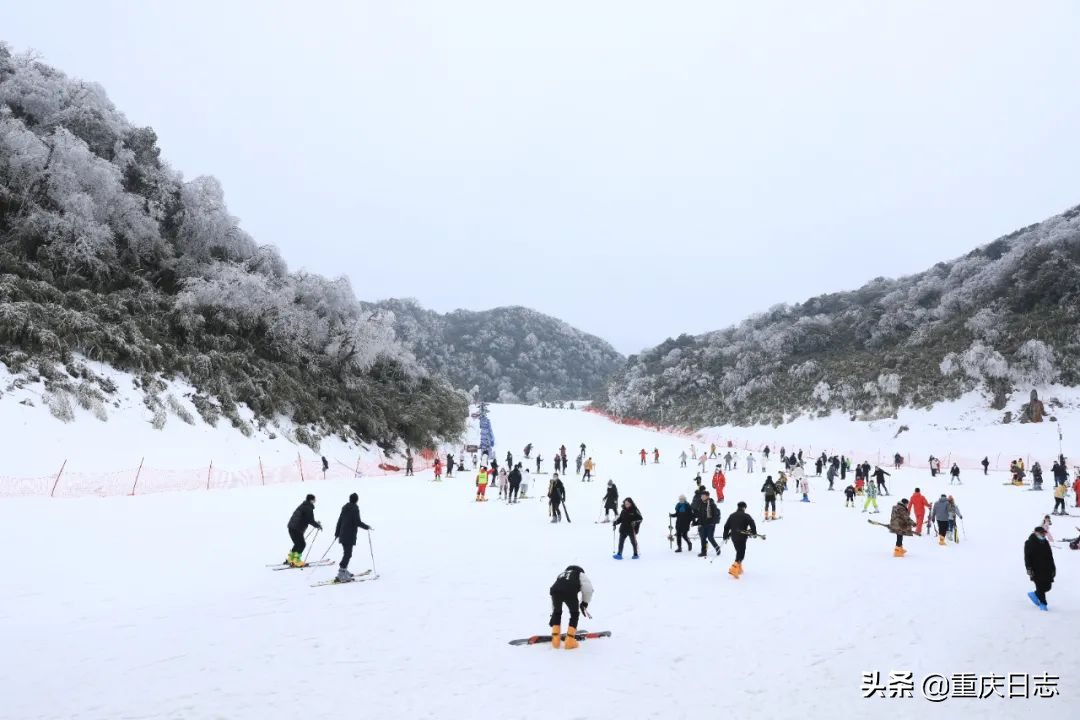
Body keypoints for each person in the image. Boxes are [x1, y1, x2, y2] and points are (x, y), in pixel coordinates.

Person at [549, 565, 595, 648]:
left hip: (554, 591)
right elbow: (588, 589)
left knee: (557, 612)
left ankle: (555, 641)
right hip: (570, 592)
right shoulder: (580, 574)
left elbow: (558, 587)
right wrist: (584, 602)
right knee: (574, 614)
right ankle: (570, 641)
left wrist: (553, 613)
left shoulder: (561, 574)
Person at [333, 493, 372, 582]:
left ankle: (344, 570)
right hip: (349, 535)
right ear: (356, 500)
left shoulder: (344, 508)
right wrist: (367, 527)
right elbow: (357, 522)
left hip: (343, 534)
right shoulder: (355, 508)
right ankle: (341, 573)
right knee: (348, 554)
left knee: (347, 553)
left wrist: (337, 533)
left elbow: (339, 521)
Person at [722, 501, 757, 578]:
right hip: (742, 536)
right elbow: (752, 523)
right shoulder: (746, 515)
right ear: (744, 507)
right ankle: (733, 569)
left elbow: (726, 526)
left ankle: (739, 569)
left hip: (734, 537)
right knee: (741, 553)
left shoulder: (732, 515)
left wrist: (725, 535)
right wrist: (754, 532)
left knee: (738, 551)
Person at [285, 494, 322, 567]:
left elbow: (306, 518)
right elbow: (310, 520)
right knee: (302, 544)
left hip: (291, 527)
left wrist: (315, 523)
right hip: (297, 528)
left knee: (298, 544)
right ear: (311, 500)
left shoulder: (303, 505)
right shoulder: (308, 508)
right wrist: (317, 525)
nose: (315, 501)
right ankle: (296, 561)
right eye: (314, 499)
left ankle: (290, 559)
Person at [1024, 526, 1055, 611]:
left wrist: (1053, 568)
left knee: (1048, 587)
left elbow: (1050, 557)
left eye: (1044, 533)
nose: (1043, 534)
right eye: (1042, 533)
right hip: (1036, 569)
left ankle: (1034, 594)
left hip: (1047, 569)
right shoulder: (1029, 543)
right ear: (1036, 533)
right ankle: (1043, 604)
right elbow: (1027, 557)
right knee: (1040, 587)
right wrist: (1029, 568)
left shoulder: (1045, 542)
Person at [693, 490, 722, 557]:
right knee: (703, 538)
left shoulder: (712, 504)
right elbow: (700, 515)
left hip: (710, 524)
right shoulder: (700, 504)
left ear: (707, 496)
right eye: (701, 496)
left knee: (710, 537)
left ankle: (717, 548)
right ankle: (703, 552)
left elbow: (715, 515)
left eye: (703, 496)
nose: (702, 497)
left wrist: (713, 522)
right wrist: (696, 523)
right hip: (702, 524)